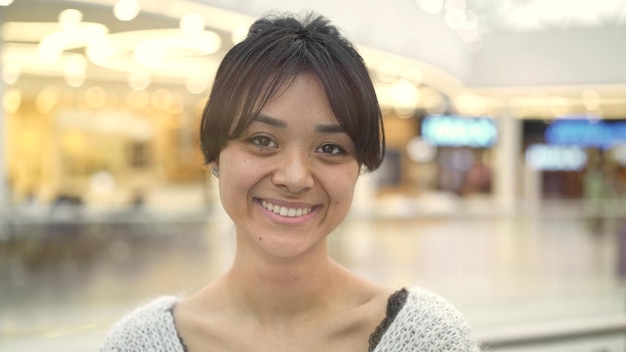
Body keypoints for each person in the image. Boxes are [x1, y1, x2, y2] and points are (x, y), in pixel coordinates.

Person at [101, 12, 479, 352]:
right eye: (262, 141)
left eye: (330, 148)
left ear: (359, 165)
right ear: (215, 153)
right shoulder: (139, 344)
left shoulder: (427, 340)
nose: (295, 178)